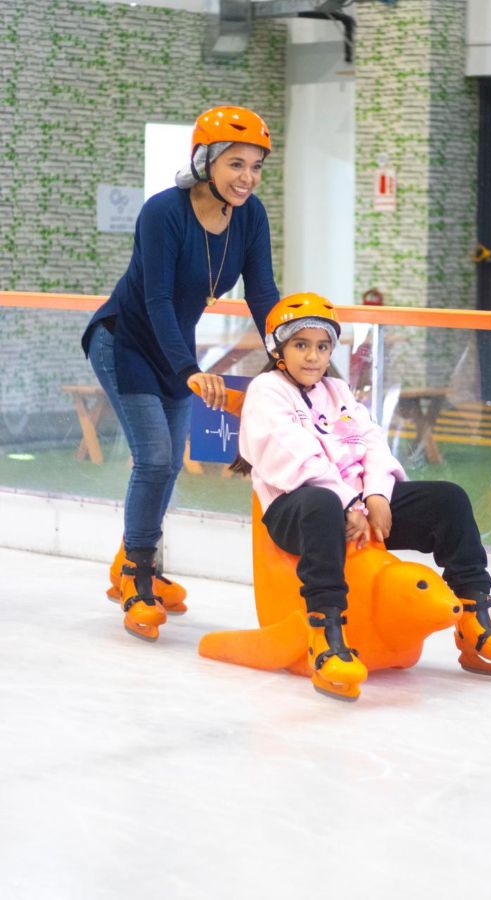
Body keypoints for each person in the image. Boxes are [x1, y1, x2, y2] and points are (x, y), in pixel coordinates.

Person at [237, 292, 491, 699]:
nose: (313, 357)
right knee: (321, 502)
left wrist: (376, 496)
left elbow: (371, 442)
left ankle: (473, 618)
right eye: (301, 345)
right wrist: (347, 502)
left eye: (322, 347)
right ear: (279, 349)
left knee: (449, 500)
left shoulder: (337, 390)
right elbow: (295, 459)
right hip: (297, 508)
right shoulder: (267, 390)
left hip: (358, 504)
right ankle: (326, 633)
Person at [82, 105, 279, 642]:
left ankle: (133, 558)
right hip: (124, 339)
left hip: (172, 349)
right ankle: (137, 581)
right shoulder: (162, 212)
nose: (247, 178)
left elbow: (262, 293)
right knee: (157, 458)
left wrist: (284, 351)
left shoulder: (251, 216)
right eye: (236, 164)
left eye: (256, 166)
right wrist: (190, 368)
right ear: (206, 161)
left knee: (167, 466)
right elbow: (158, 299)